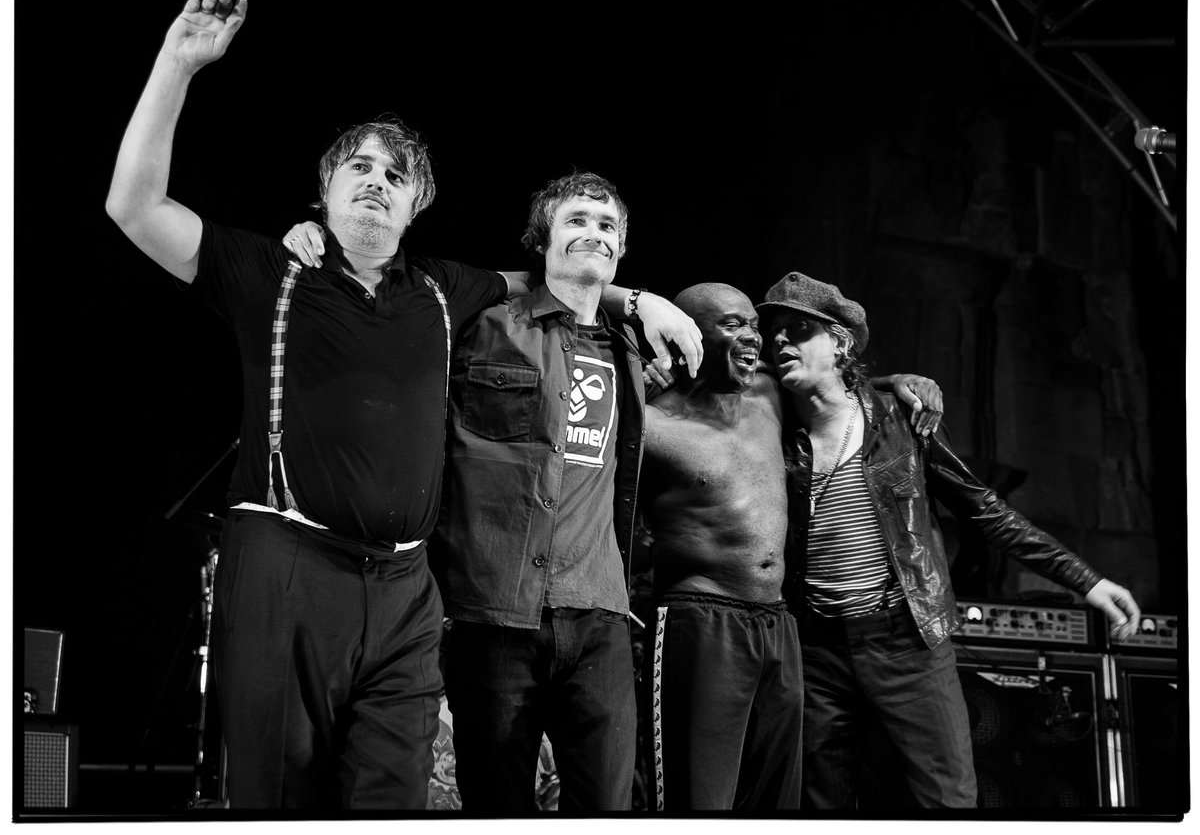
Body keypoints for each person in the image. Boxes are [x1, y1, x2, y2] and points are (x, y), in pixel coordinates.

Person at [105, 0, 699, 811]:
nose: (380, 182)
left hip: (406, 587)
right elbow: (134, 208)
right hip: (289, 564)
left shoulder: (444, 290)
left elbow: (560, 278)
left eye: (398, 175)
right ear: (323, 191)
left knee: (392, 799)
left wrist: (638, 300)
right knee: (277, 797)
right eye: (361, 168)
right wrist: (177, 65)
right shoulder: (269, 273)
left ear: (418, 203)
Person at [283, 173, 702, 813]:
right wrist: (325, 241)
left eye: (607, 226)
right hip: (493, 613)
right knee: (495, 812)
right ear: (543, 242)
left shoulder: (628, 353)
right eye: (576, 221)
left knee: (612, 812)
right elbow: (389, 294)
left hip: (598, 615)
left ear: (620, 250)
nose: (593, 233)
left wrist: (639, 304)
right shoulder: (483, 325)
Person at [757, 271, 1142, 811]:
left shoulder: (900, 420)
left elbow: (986, 509)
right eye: (773, 331)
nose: (779, 340)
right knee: (822, 804)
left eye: (797, 329)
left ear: (840, 342)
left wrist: (1088, 580)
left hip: (906, 638)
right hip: (815, 648)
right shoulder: (769, 428)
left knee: (948, 802)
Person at [636, 282, 941, 812]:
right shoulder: (652, 422)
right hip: (699, 619)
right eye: (732, 325)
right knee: (699, 801)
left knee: (777, 802)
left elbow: (833, 380)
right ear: (690, 334)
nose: (754, 336)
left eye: (753, 324)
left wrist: (903, 382)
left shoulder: (767, 392)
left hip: (779, 623)